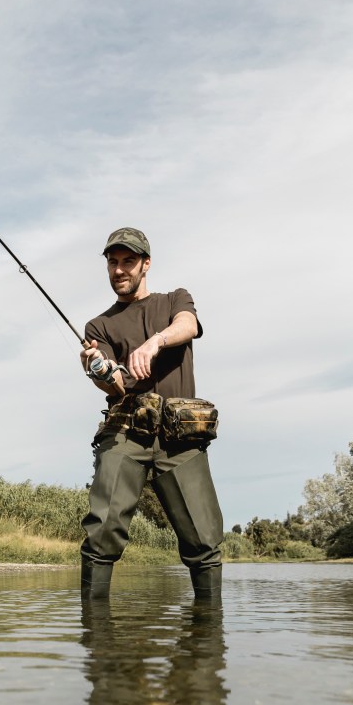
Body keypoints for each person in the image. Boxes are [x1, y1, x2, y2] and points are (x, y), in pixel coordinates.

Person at [79, 227, 223, 602]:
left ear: (146, 264)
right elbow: (115, 385)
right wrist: (98, 369)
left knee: (203, 539)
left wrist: (155, 342)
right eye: (113, 263)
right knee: (102, 531)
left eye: (128, 262)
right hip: (126, 432)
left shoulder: (176, 299)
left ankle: (205, 642)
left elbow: (188, 326)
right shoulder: (99, 326)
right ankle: (97, 643)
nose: (119, 270)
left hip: (181, 438)